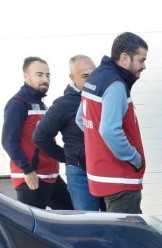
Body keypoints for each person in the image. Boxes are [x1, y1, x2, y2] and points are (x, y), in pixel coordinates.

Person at [77, 32, 148, 213]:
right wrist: (134, 158)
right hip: (120, 179)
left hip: (102, 175)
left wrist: (100, 145)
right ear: (125, 58)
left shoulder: (95, 77)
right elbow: (109, 131)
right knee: (127, 230)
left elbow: (81, 119)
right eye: (141, 60)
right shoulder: (116, 85)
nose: (144, 66)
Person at [2, 57, 73, 210]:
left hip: (52, 177)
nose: (45, 79)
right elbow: (8, 141)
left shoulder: (41, 104)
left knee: (73, 215)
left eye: (47, 75)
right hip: (32, 179)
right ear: (26, 76)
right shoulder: (18, 103)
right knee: (29, 224)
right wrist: (27, 170)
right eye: (39, 75)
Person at [33, 55, 101, 211]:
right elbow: (40, 136)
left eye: (94, 75)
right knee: (86, 221)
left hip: (104, 170)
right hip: (80, 174)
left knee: (110, 219)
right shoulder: (64, 104)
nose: (91, 80)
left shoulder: (102, 98)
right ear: (72, 77)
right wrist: (67, 157)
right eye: (85, 76)